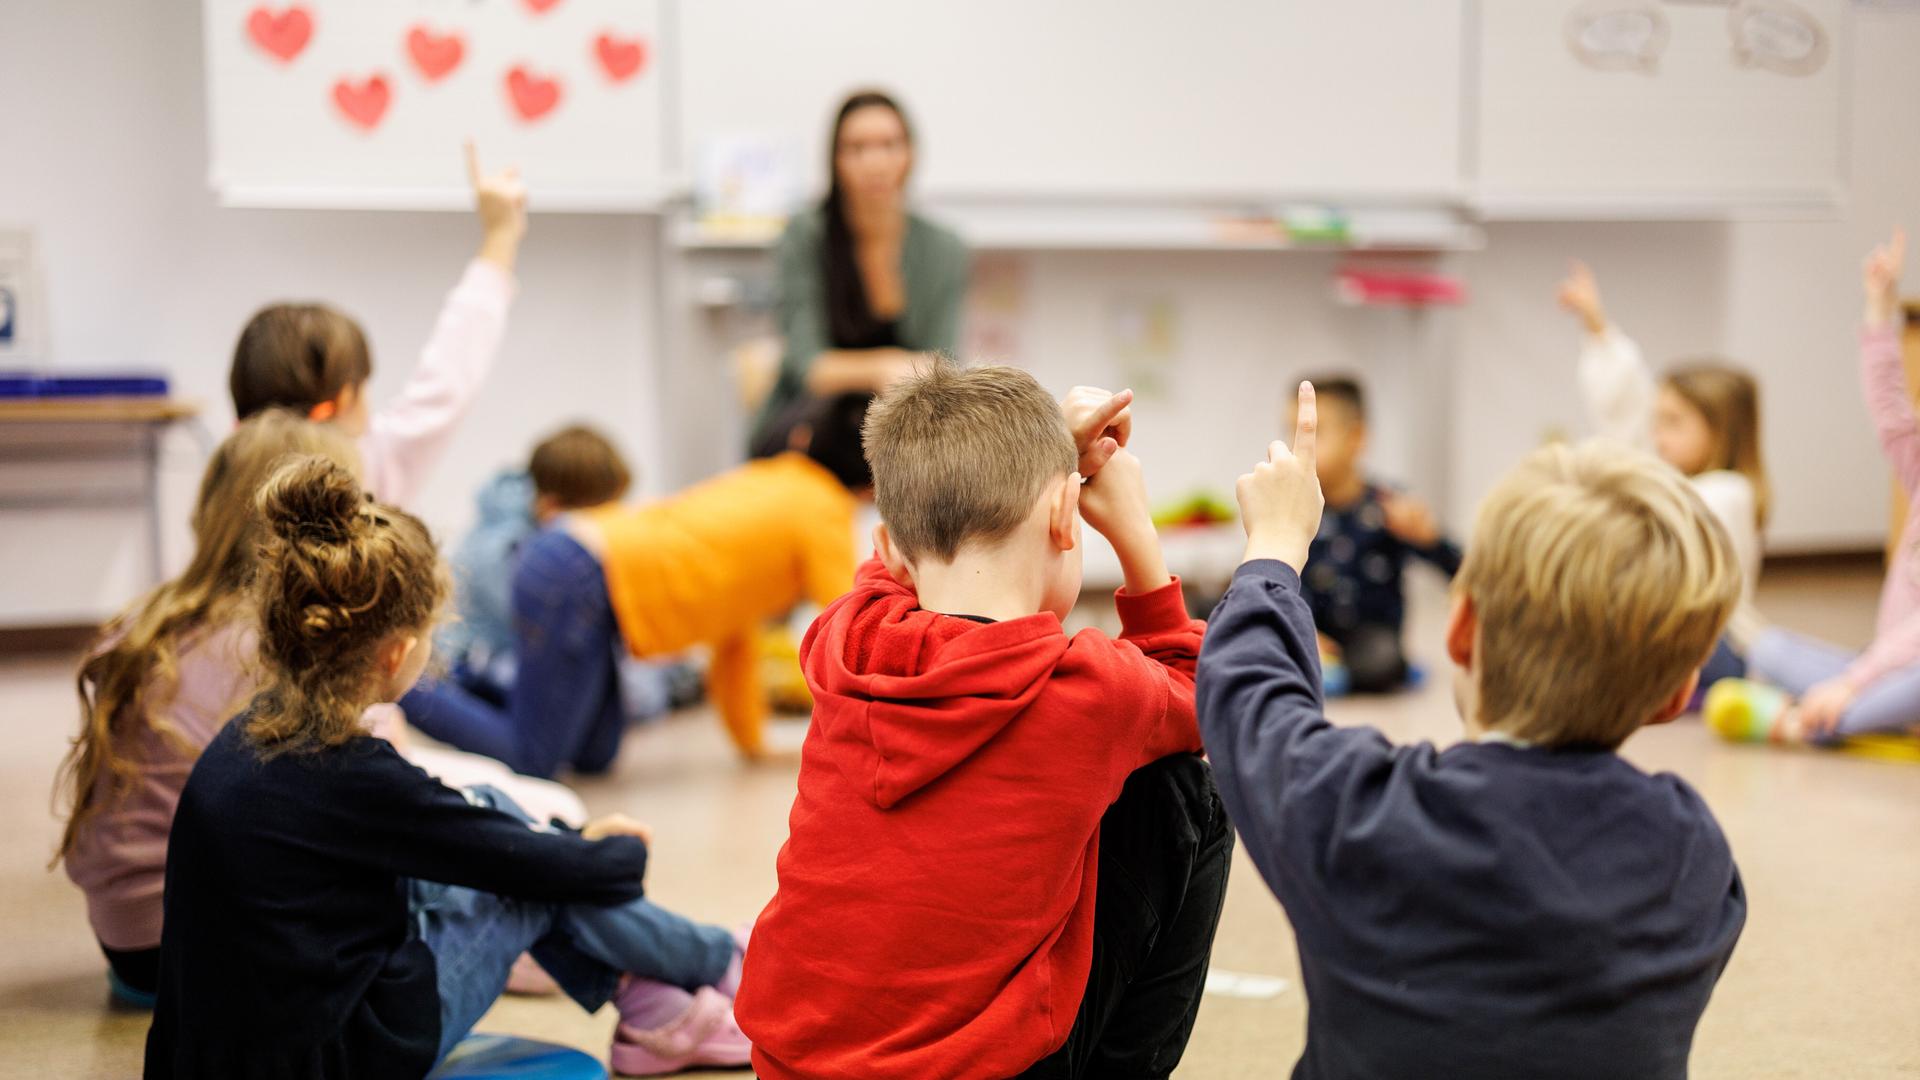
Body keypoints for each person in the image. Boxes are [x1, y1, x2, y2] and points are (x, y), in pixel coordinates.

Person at [1198, 384, 1746, 1079]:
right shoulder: (1694, 852)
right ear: (1678, 695)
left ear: (1460, 633)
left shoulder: (1357, 811)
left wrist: (1274, 548)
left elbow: (1249, 696)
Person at [144, 457, 751, 1079]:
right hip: (335, 1061)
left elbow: (466, 838)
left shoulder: (245, 739)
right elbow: (527, 866)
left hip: (206, 1059)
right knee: (526, 886)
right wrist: (611, 854)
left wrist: (560, 848)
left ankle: (661, 1006)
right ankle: (720, 961)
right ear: (397, 653)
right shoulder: (353, 775)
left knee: (490, 815)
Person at [735, 367, 1233, 1080]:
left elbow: (890, 563)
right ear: (1068, 517)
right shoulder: (1091, 687)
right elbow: (1200, 695)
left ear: (887, 550)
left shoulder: (841, 640)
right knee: (1184, 790)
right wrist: (1134, 534)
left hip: (790, 1065)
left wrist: (1037, 458)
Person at [51, 413, 592, 1007]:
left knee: (500, 815)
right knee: (542, 819)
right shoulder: (269, 645)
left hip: (126, 944)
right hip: (215, 944)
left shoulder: (146, 622)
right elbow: (388, 798)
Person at [402, 397, 873, 773]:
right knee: (533, 757)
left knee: (596, 753)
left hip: (577, 569)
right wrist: (879, 734)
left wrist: (753, 745)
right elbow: (852, 630)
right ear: (871, 485)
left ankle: (465, 681)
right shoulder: (825, 507)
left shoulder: (782, 479)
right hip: (577, 570)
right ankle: (403, 684)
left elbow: (736, 633)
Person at [1709, 230, 1920, 745]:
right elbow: (1891, 410)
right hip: (1889, 668)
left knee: (1856, 701)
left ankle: (1808, 721)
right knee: (1767, 648)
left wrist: (1849, 684)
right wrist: (1877, 307)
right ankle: (1848, 711)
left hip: (1906, 675)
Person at [228, 143, 526, 508]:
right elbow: (450, 378)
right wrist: (500, 234)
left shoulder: (221, 486)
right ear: (347, 397)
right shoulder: (368, 468)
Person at [1558, 260, 1769, 690]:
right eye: (1658, 421)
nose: (1657, 435)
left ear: (1720, 431)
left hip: (1718, 646)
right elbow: (1629, 408)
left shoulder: (1727, 493)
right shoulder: (1679, 479)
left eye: (1674, 423)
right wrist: (1597, 327)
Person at [750, 90, 968, 452]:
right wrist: (885, 367)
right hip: (811, 426)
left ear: (911, 154)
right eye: (856, 148)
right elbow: (810, 367)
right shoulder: (805, 236)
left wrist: (887, 372)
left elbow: (944, 365)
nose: (874, 162)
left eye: (889, 145)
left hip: (908, 433)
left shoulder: (944, 248)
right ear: (835, 160)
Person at [1287, 376, 1461, 692]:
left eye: (1316, 431)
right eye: (1292, 430)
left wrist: (1430, 539)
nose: (1299, 444)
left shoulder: (1389, 507)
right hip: (1311, 636)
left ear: (1356, 437)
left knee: (1382, 658)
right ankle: (1314, 667)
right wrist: (1300, 629)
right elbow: (1279, 579)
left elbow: (1460, 572)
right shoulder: (1292, 509)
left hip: (1369, 643)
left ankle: (1326, 676)